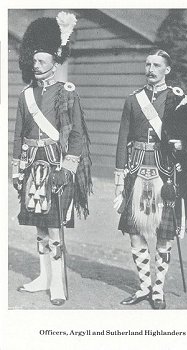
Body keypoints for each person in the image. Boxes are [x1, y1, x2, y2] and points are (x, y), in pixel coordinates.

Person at [114, 48, 187, 309]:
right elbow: (122, 138)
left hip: (165, 171)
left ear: (167, 70)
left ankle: (158, 290)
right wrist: (118, 175)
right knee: (135, 230)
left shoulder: (177, 98)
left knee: (163, 233)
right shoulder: (133, 100)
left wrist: (185, 143)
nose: (150, 69)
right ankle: (144, 286)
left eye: (157, 65)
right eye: (148, 64)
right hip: (136, 169)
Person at [11, 12, 92, 306]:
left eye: (41, 61)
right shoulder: (25, 96)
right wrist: (17, 169)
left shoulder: (67, 93)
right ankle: (43, 276)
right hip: (32, 164)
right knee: (39, 225)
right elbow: (19, 135)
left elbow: (78, 137)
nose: (35, 65)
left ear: (55, 64)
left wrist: (68, 169)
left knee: (55, 225)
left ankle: (57, 282)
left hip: (56, 164)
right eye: (33, 61)